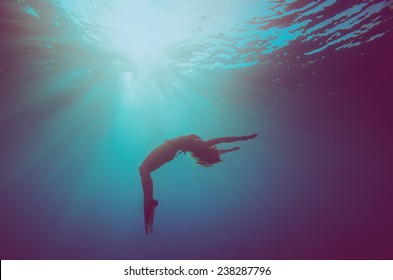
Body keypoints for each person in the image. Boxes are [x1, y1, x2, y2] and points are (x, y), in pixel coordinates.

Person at [139, 133, 258, 234]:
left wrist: (243, 138)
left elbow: (222, 139)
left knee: (144, 169)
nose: (215, 148)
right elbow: (219, 151)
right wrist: (231, 150)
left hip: (170, 147)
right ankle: (149, 205)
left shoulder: (203, 145)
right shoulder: (201, 147)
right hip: (171, 150)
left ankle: (148, 205)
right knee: (145, 170)